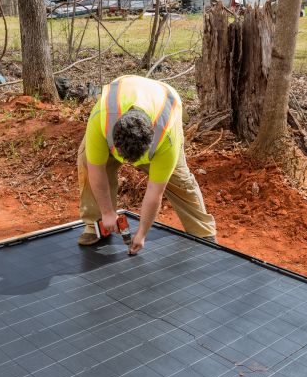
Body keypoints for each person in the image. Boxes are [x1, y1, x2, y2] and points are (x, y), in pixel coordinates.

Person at [76, 75, 217, 255]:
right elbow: (96, 172)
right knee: (86, 162)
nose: (130, 164)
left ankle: (202, 231)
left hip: (163, 107)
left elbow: (154, 192)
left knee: (180, 181)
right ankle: (97, 224)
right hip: (116, 112)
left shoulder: (167, 139)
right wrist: (107, 212)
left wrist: (142, 233)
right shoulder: (100, 120)